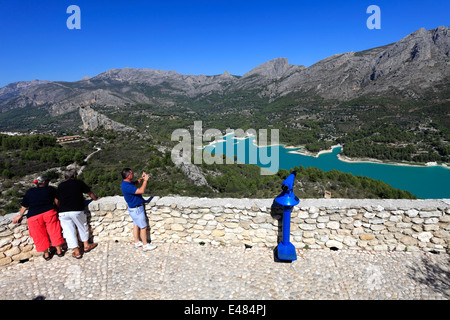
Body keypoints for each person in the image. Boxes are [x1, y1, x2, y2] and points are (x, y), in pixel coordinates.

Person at [12, 175, 65, 261]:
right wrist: (59, 208)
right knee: (54, 231)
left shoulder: (30, 191)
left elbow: (24, 206)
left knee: (39, 236)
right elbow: (56, 201)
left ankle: (47, 255)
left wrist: (20, 215)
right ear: (45, 182)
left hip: (34, 216)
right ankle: (59, 251)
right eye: (47, 181)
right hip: (49, 213)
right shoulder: (51, 189)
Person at [55, 169, 100, 259]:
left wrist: (58, 208)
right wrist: (95, 199)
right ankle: (86, 245)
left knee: (68, 231)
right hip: (77, 209)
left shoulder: (60, 185)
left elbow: (56, 199)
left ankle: (77, 252)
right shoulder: (79, 183)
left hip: (63, 212)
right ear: (74, 176)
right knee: (82, 226)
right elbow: (89, 192)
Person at [120, 168, 156, 251]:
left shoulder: (125, 183)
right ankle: (145, 245)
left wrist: (141, 178)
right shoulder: (127, 186)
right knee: (143, 227)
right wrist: (145, 181)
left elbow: (136, 183)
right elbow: (141, 190)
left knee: (136, 225)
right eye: (132, 173)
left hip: (132, 209)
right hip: (137, 209)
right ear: (128, 176)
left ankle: (137, 242)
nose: (133, 174)